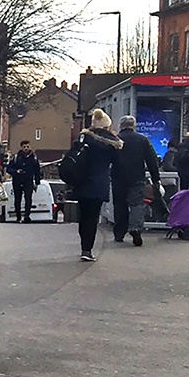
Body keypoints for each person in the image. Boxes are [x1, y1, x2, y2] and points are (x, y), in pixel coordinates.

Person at [68, 108, 122, 262]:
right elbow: (118, 163)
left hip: (81, 181)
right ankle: (87, 250)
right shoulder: (112, 142)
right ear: (106, 126)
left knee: (83, 216)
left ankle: (84, 246)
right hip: (98, 183)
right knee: (92, 217)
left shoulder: (83, 137)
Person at [112, 114, 163, 246]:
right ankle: (135, 229)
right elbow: (152, 160)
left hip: (118, 177)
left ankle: (119, 232)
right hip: (137, 178)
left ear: (121, 126)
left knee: (120, 205)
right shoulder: (143, 140)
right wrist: (155, 178)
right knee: (136, 204)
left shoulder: (115, 140)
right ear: (133, 126)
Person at [6, 140, 43, 222]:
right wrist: (16, 171)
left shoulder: (34, 158)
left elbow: (37, 171)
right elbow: (9, 169)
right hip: (17, 180)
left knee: (28, 198)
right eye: (24, 147)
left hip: (28, 180)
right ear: (21, 148)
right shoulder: (16, 157)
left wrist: (37, 182)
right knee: (17, 199)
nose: (26, 148)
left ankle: (27, 216)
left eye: (27, 147)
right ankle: (18, 216)